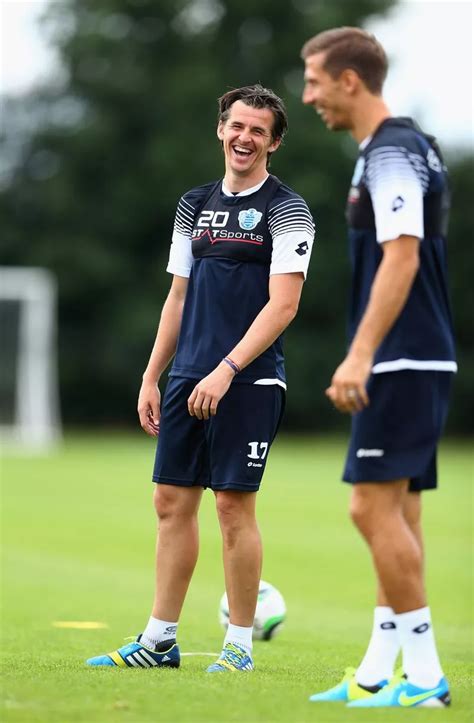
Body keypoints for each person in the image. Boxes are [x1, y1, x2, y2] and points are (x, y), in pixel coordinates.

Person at [86, 84, 315, 673]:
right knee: (170, 503)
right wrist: (152, 375)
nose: (245, 138)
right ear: (221, 129)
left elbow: (283, 306)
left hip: (249, 379)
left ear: (275, 142)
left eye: (258, 131)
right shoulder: (194, 204)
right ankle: (159, 641)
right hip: (188, 376)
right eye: (237, 126)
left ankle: (238, 646)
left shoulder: (288, 209)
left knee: (234, 509)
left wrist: (227, 369)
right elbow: (178, 297)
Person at [300, 28, 455, 708]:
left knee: (369, 508)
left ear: (350, 81)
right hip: (416, 354)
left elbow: (402, 255)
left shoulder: (393, 150)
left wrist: (361, 353)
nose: (307, 95)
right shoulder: (400, 146)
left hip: (401, 356)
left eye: (313, 81)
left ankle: (425, 678)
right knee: (399, 514)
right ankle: (376, 671)